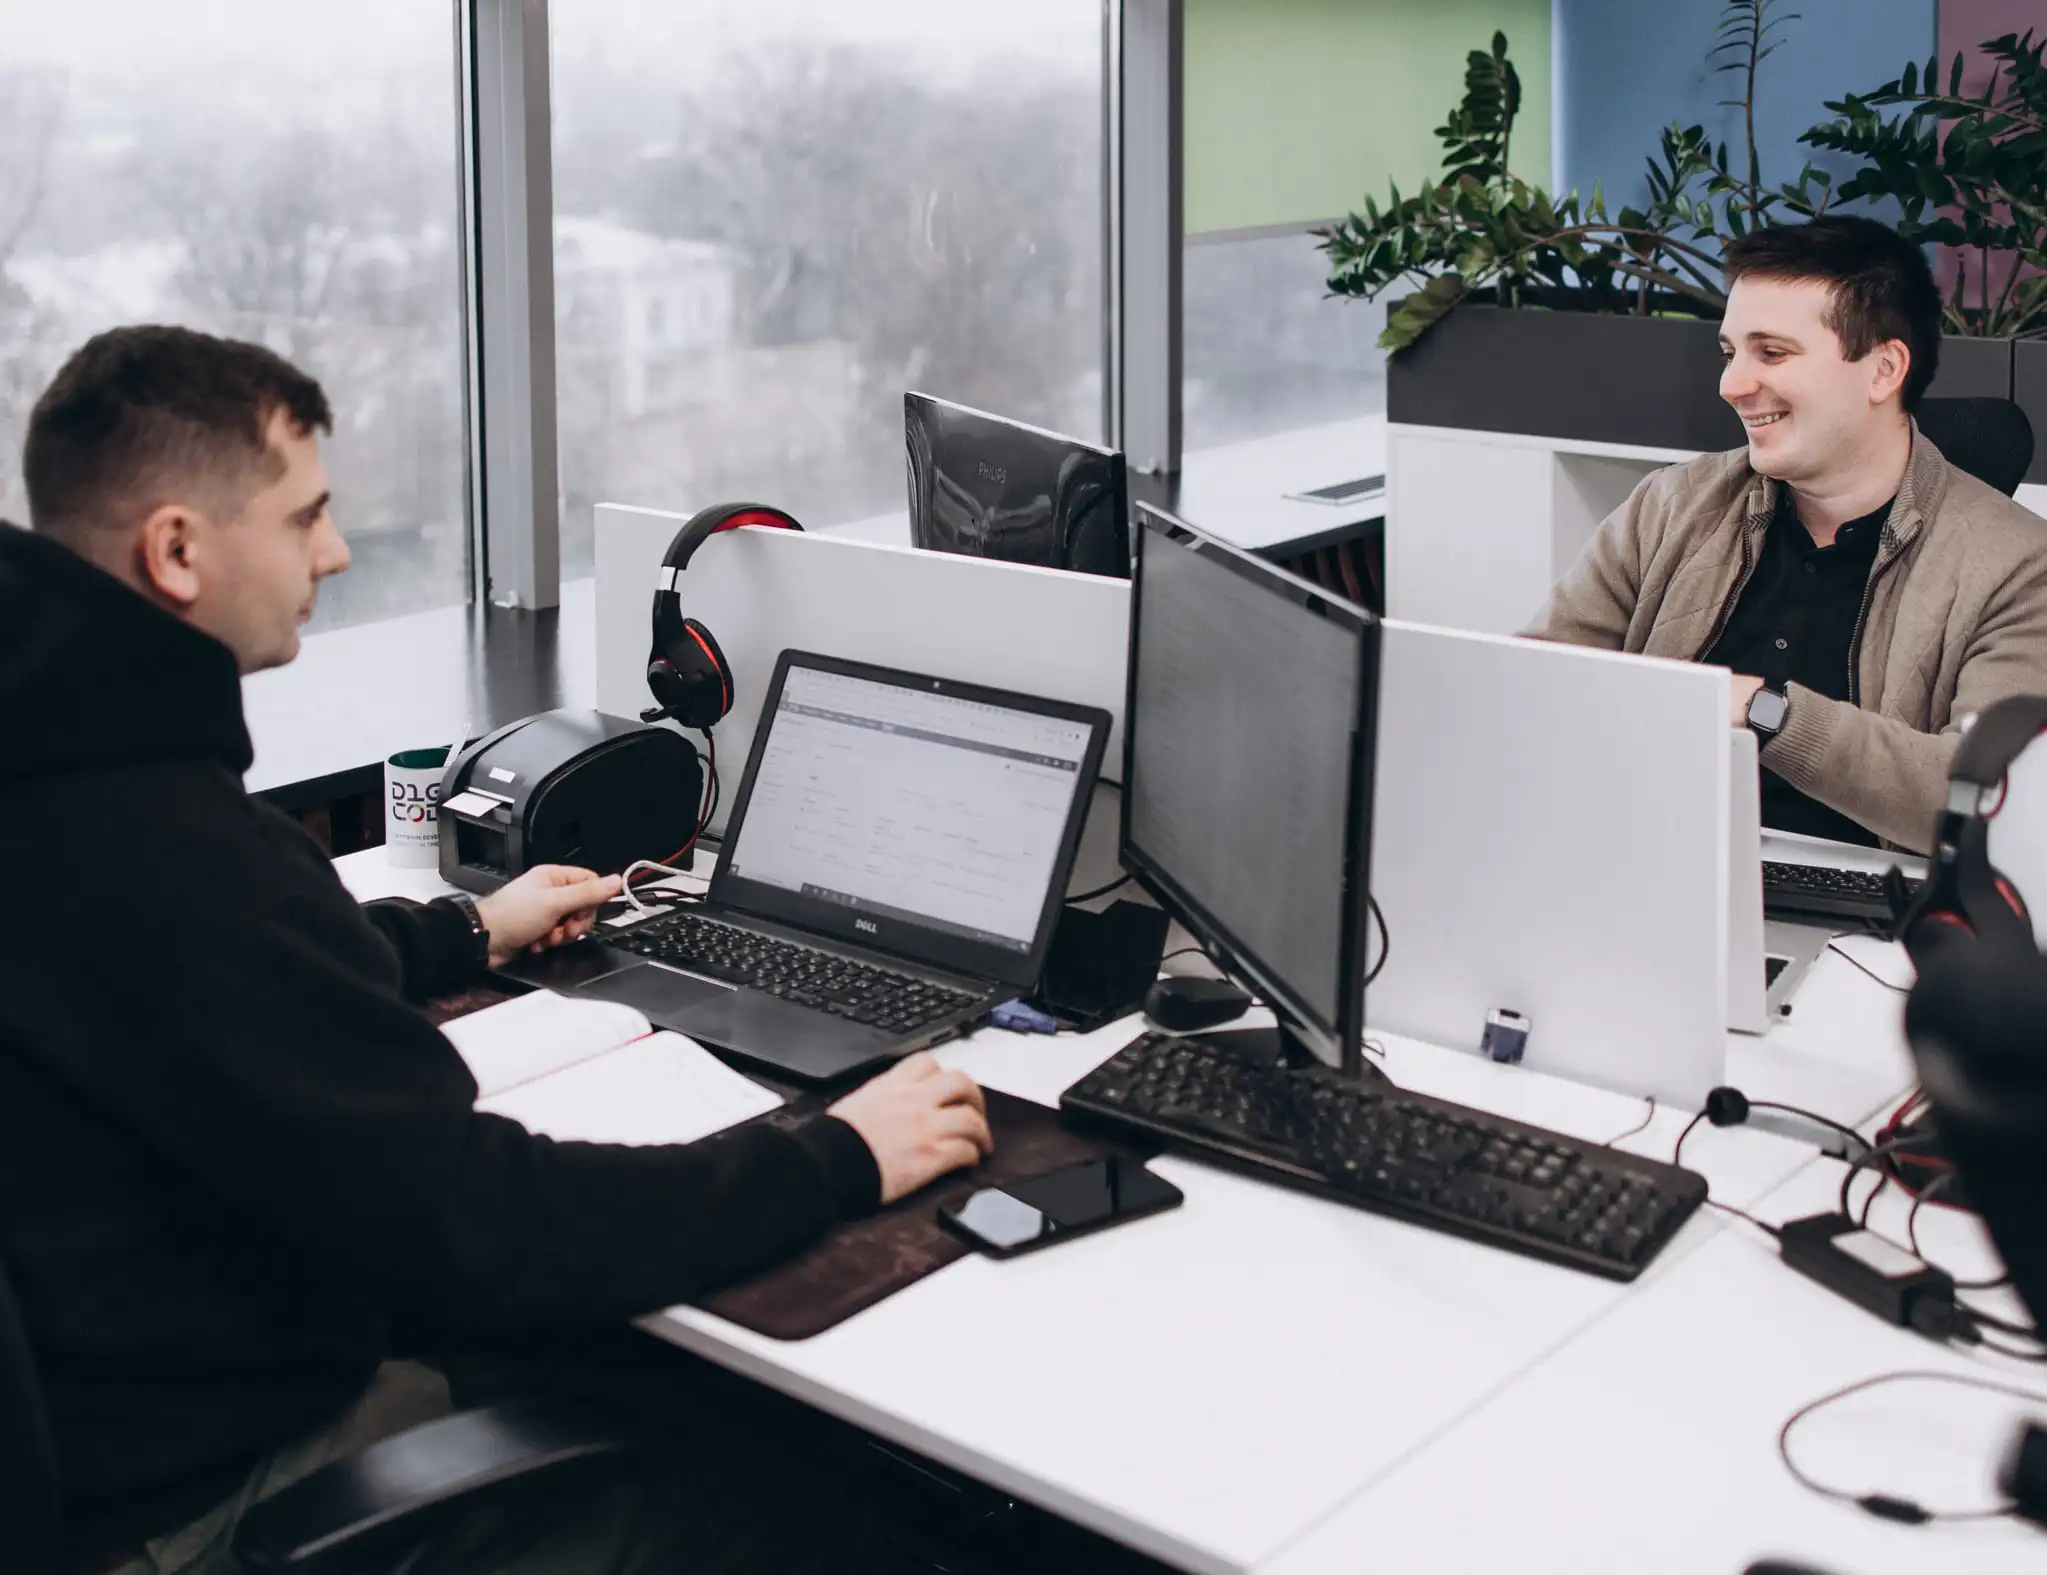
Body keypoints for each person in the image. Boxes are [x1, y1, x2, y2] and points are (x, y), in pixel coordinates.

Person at [0, 325, 996, 1573]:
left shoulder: (56, 769)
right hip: (211, 1500)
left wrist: (462, 927)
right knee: (831, 1498)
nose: (337, 551)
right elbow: (489, 1225)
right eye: (305, 516)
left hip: (122, 1420)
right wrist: (837, 1155)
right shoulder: (175, 844)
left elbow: (206, 987)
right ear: (178, 550)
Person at [1525, 215, 2047, 852]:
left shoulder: (2018, 566)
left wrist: (1765, 711)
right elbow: (1533, 687)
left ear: (1884, 370)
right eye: (1730, 352)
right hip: (1655, 869)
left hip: (1870, 922)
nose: (1732, 384)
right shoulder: (1670, 506)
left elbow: (1994, 801)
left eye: (1771, 353)